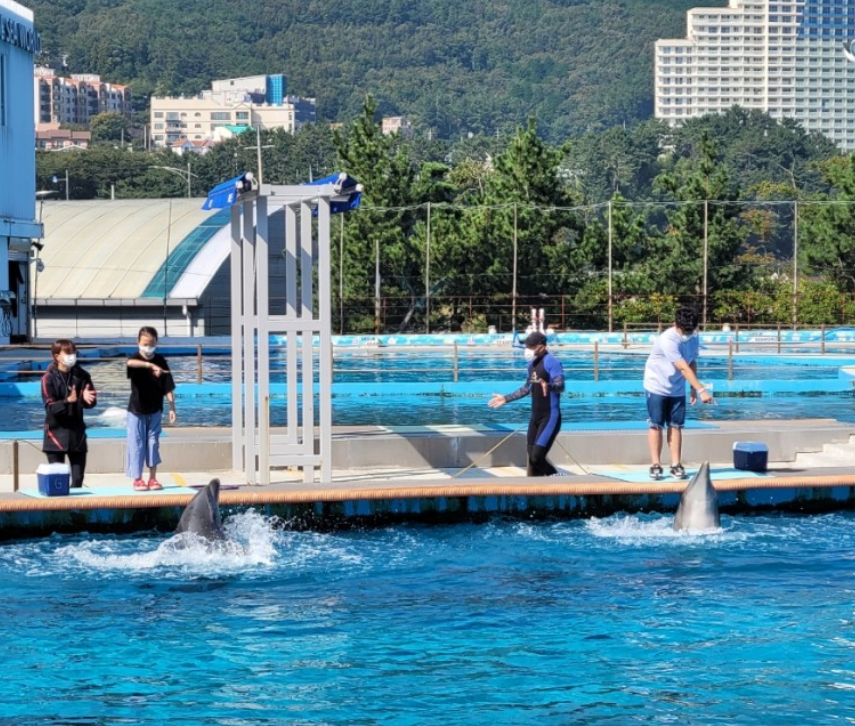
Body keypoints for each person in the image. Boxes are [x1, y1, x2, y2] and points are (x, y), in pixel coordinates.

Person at [643, 306, 714, 480]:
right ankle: (656, 464)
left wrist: (692, 388)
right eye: (685, 330)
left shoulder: (693, 337)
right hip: (657, 385)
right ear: (675, 324)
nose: (688, 333)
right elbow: (681, 366)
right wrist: (701, 389)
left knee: (676, 425)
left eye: (691, 330)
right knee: (656, 424)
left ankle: (675, 464)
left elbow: (691, 362)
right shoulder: (668, 339)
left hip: (677, 387)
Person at [488, 331, 565, 476]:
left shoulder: (552, 362)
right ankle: (537, 492)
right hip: (535, 417)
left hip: (550, 417)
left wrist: (548, 386)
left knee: (537, 457)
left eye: (531, 347)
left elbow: (560, 385)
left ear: (541, 347)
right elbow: (526, 389)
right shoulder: (531, 365)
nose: (527, 350)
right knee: (532, 458)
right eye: (526, 346)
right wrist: (506, 398)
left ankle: (560, 480)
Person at [40, 339, 97, 488]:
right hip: (55, 436)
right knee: (58, 483)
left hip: (77, 436)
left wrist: (85, 400)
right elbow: (50, 407)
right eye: (68, 353)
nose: (72, 356)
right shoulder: (48, 378)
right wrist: (68, 401)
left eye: (73, 352)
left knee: (77, 480)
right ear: (57, 356)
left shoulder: (82, 376)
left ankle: (76, 511)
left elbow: (92, 402)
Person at [126, 326, 176, 491]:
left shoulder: (161, 360)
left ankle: (153, 478)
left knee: (153, 443)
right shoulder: (135, 359)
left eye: (152, 343)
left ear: (156, 343)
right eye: (145, 343)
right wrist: (149, 366)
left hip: (155, 410)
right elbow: (129, 363)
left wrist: (172, 408)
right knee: (137, 444)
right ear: (138, 342)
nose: (148, 347)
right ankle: (137, 478)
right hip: (136, 410)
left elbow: (167, 386)